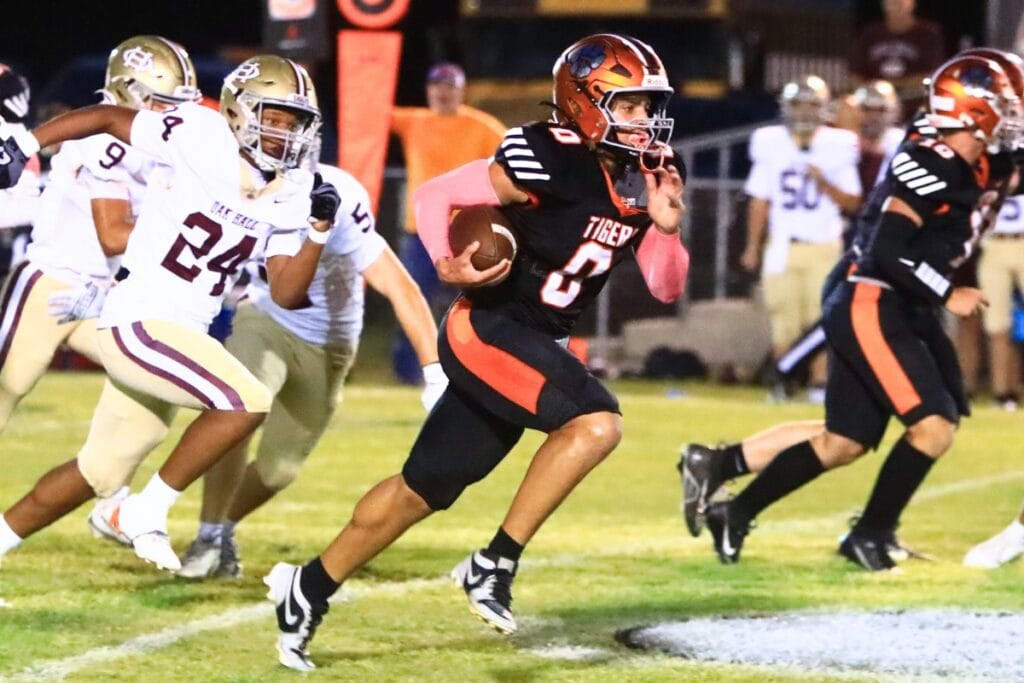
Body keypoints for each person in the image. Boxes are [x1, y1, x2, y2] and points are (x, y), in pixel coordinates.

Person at [261, 33, 690, 672]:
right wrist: (447, 265)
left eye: (648, 106)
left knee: (422, 488)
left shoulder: (645, 172)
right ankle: (493, 562)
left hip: (535, 343)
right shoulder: (546, 153)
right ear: (586, 101)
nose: (644, 120)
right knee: (597, 423)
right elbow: (438, 196)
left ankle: (308, 588)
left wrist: (666, 224)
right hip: (488, 326)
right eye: (629, 106)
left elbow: (665, 284)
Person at [0, 54, 339, 577]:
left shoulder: (295, 187)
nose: (284, 133)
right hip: (140, 318)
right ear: (240, 110)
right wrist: (26, 144)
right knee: (245, 400)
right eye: (274, 118)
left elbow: (288, 291)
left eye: (295, 122)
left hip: (183, 331)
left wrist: (318, 230)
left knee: (98, 471)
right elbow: (108, 119)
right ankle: (146, 509)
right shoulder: (201, 132)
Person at [682, 48, 1024, 558]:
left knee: (845, 440)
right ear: (972, 109)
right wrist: (947, 290)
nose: (1015, 115)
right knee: (932, 427)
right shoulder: (929, 158)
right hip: (875, 293)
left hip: (898, 300)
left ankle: (730, 493)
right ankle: (871, 533)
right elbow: (888, 250)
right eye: (1009, 104)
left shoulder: (985, 155)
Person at [174, 151, 447, 579]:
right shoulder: (226, 184)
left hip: (329, 341)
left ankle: (223, 528)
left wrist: (433, 373)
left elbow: (399, 286)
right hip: (264, 319)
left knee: (279, 469)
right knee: (235, 409)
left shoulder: (334, 194)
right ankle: (204, 535)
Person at [740, 75, 862, 402]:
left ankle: (819, 385)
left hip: (824, 244)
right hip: (782, 245)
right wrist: (753, 245)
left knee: (820, 320)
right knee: (783, 320)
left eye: (811, 104)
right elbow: (759, 199)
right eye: (798, 104)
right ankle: (782, 382)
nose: (804, 112)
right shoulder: (770, 142)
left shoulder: (839, 144)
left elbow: (853, 201)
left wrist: (826, 183)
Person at [389, 62, 506, 385]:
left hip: (467, 232)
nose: (442, 92)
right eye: (437, 86)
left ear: (461, 90)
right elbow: (367, 112)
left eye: (449, 86)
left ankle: (483, 369)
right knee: (412, 300)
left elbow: (509, 160)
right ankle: (410, 375)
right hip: (421, 233)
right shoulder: (415, 121)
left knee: (483, 304)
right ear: (429, 90)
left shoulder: (483, 127)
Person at [851, 0, 945, 112]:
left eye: (899, 2)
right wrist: (875, 91)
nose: (894, 6)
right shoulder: (869, 35)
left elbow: (932, 76)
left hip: (915, 107)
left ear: (912, 4)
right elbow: (855, 76)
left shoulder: (928, 35)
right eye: (891, 3)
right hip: (875, 108)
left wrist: (889, 86)